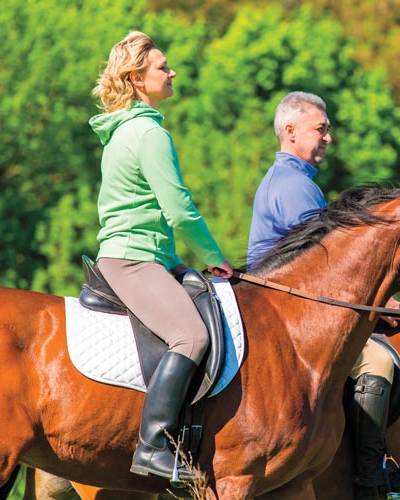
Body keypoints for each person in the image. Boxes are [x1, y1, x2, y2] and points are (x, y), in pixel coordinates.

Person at [247, 91, 400, 500]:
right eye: (321, 129)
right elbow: (326, 272)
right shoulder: (295, 187)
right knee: (378, 360)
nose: (329, 138)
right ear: (290, 131)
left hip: (288, 310)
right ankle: (369, 473)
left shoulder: (293, 182)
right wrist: (384, 306)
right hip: (294, 319)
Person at [89, 31, 233, 482]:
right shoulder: (148, 132)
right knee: (192, 337)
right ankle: (152, 445)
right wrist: (214, 257)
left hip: (150, 255)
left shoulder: (123, 130)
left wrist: (178, 263)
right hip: (132, 260)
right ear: (136, 79)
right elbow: (178, 209)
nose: (171, 73)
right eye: (161, 67)